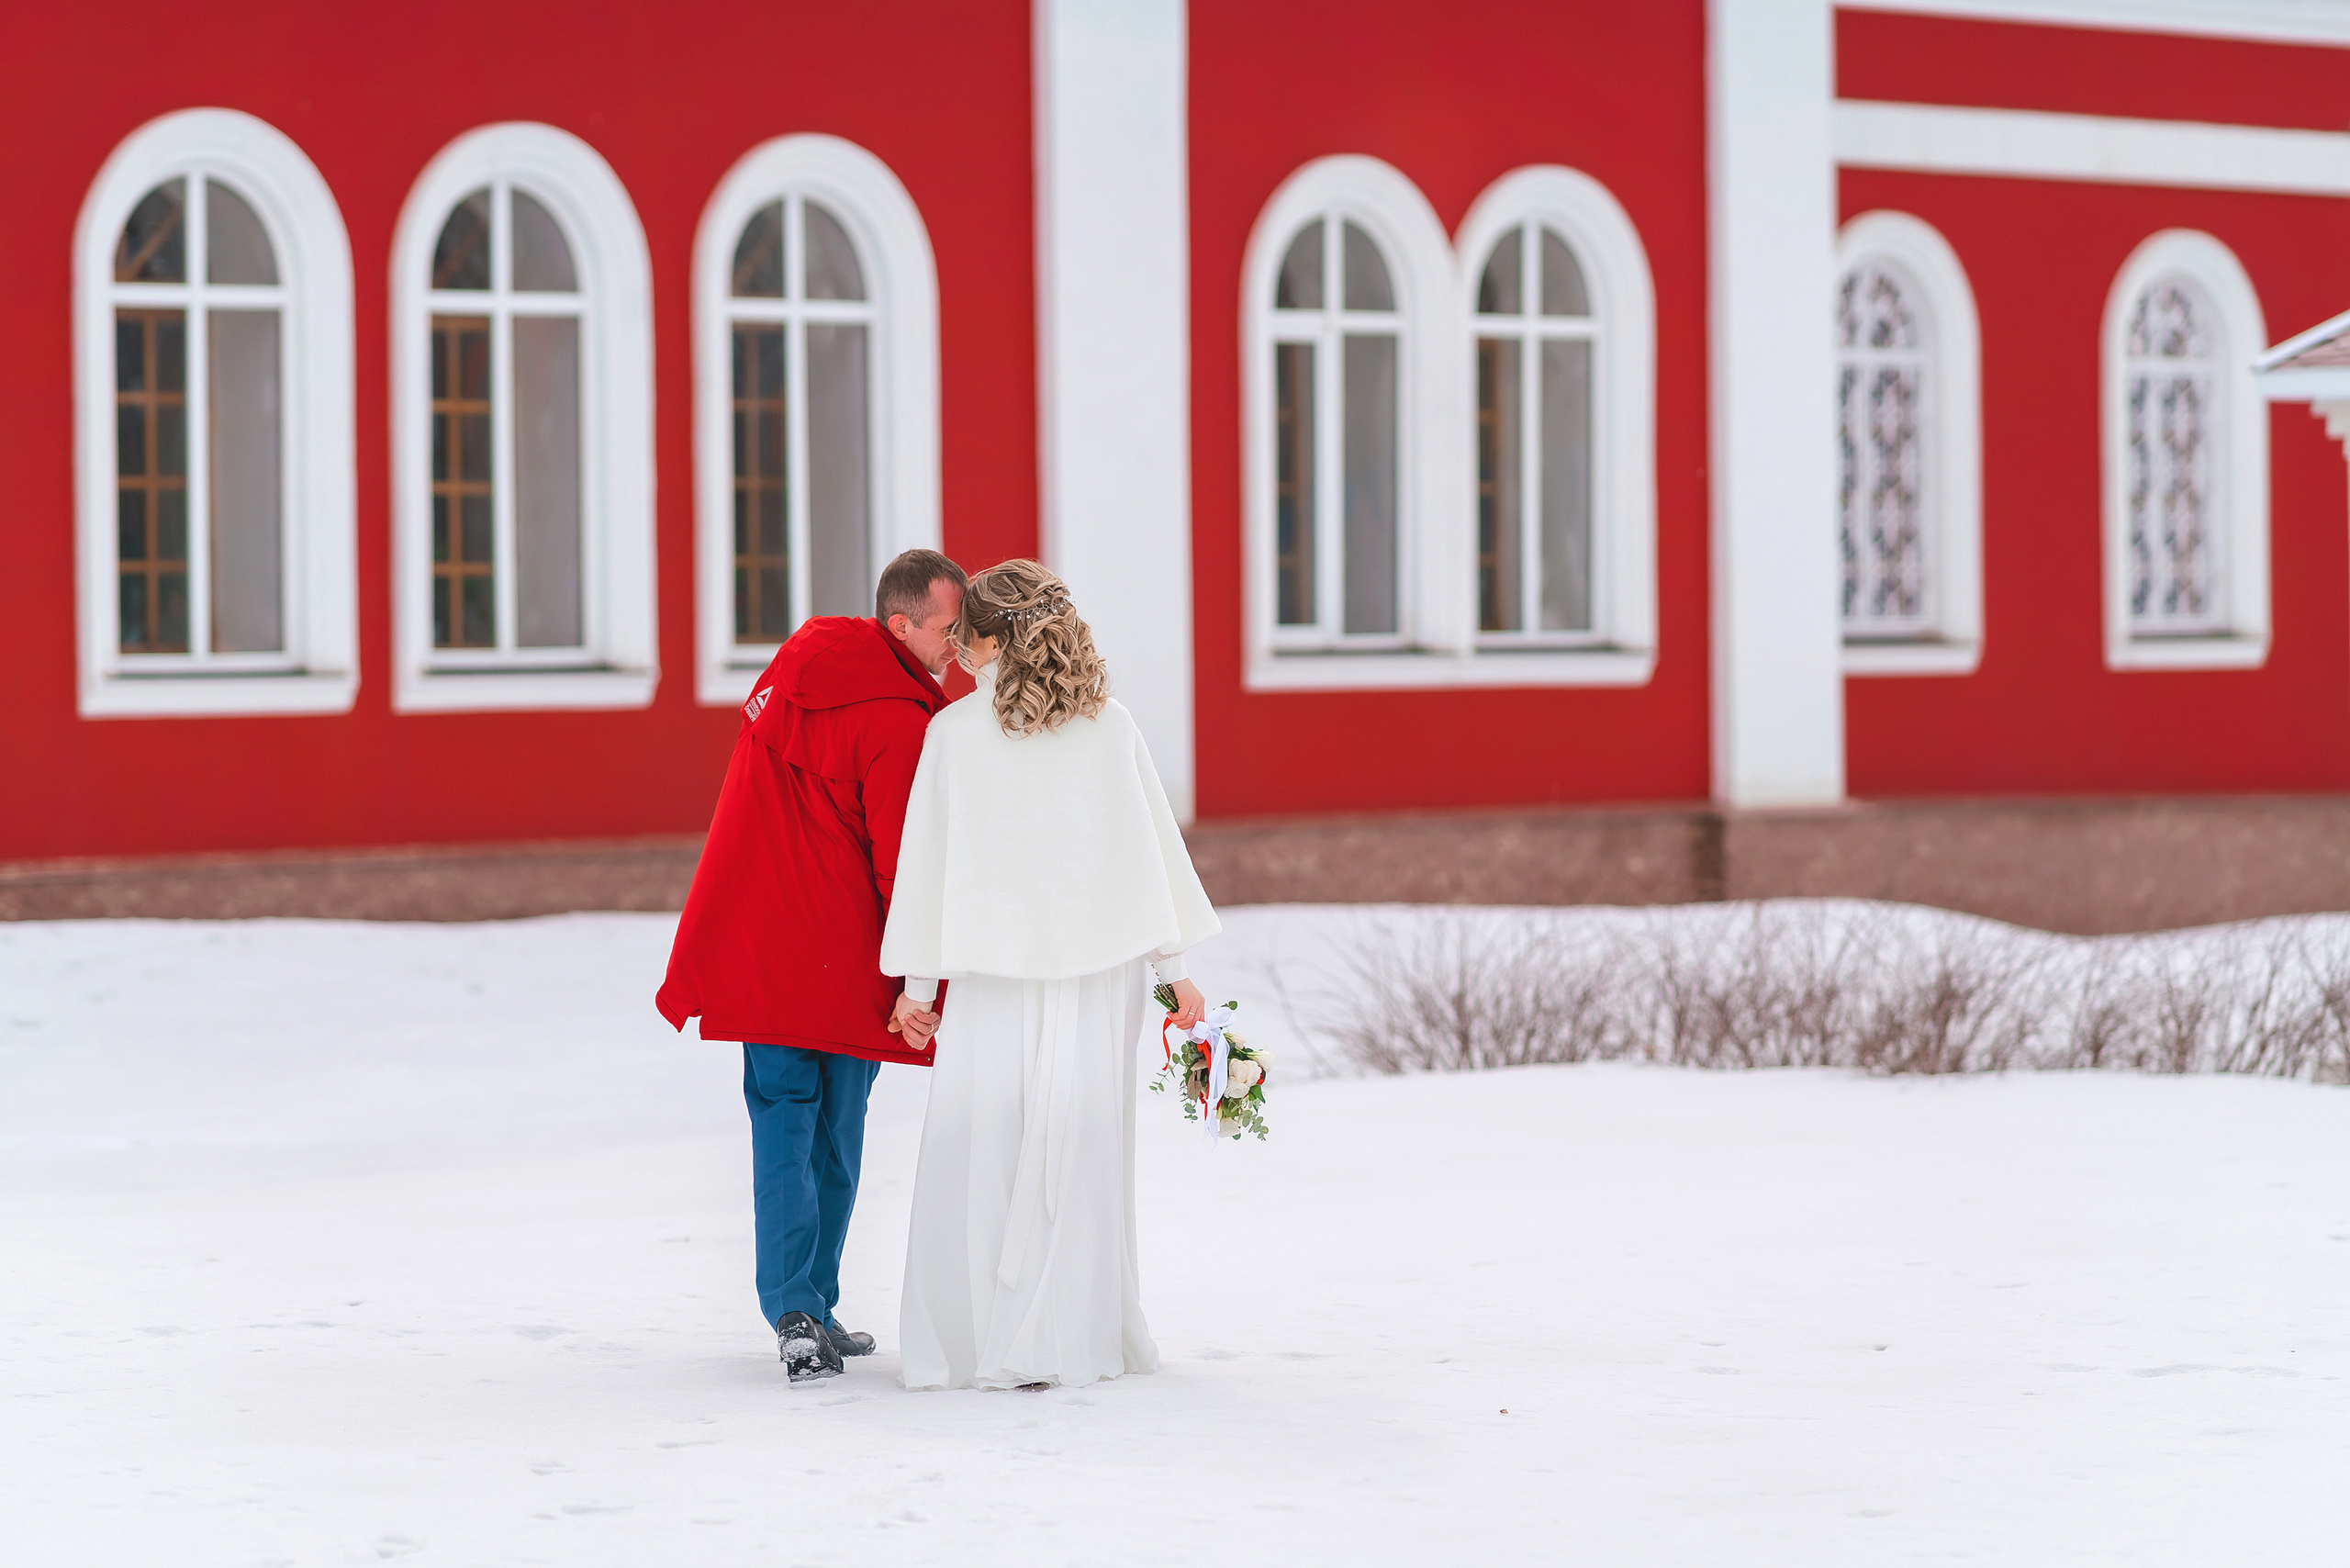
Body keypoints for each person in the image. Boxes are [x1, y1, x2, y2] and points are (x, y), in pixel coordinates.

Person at [879, 559, 1220, 1391]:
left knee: (987, 1138)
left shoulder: (955, 735)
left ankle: (981, 1333)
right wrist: (1174, 975)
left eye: (968, 634)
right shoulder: (1111, 728)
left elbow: (928, 868)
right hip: (1096, 975)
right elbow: (1150, 859)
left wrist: (918, 992)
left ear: (998, 638)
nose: (957, 648)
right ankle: (1072, 1332)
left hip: (998, 975)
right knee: (1083, 1141)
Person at [655, 549, 966, 1383]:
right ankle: (806, 1303)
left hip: (767, 944)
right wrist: (916, 979)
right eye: (947, 628)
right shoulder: (900, 721)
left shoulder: (789, 676)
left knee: (783, 1123)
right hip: (844, 956)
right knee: (836, 1130)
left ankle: (802, 1309)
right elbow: (902, 862)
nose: (958, 646)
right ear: (901, 626)